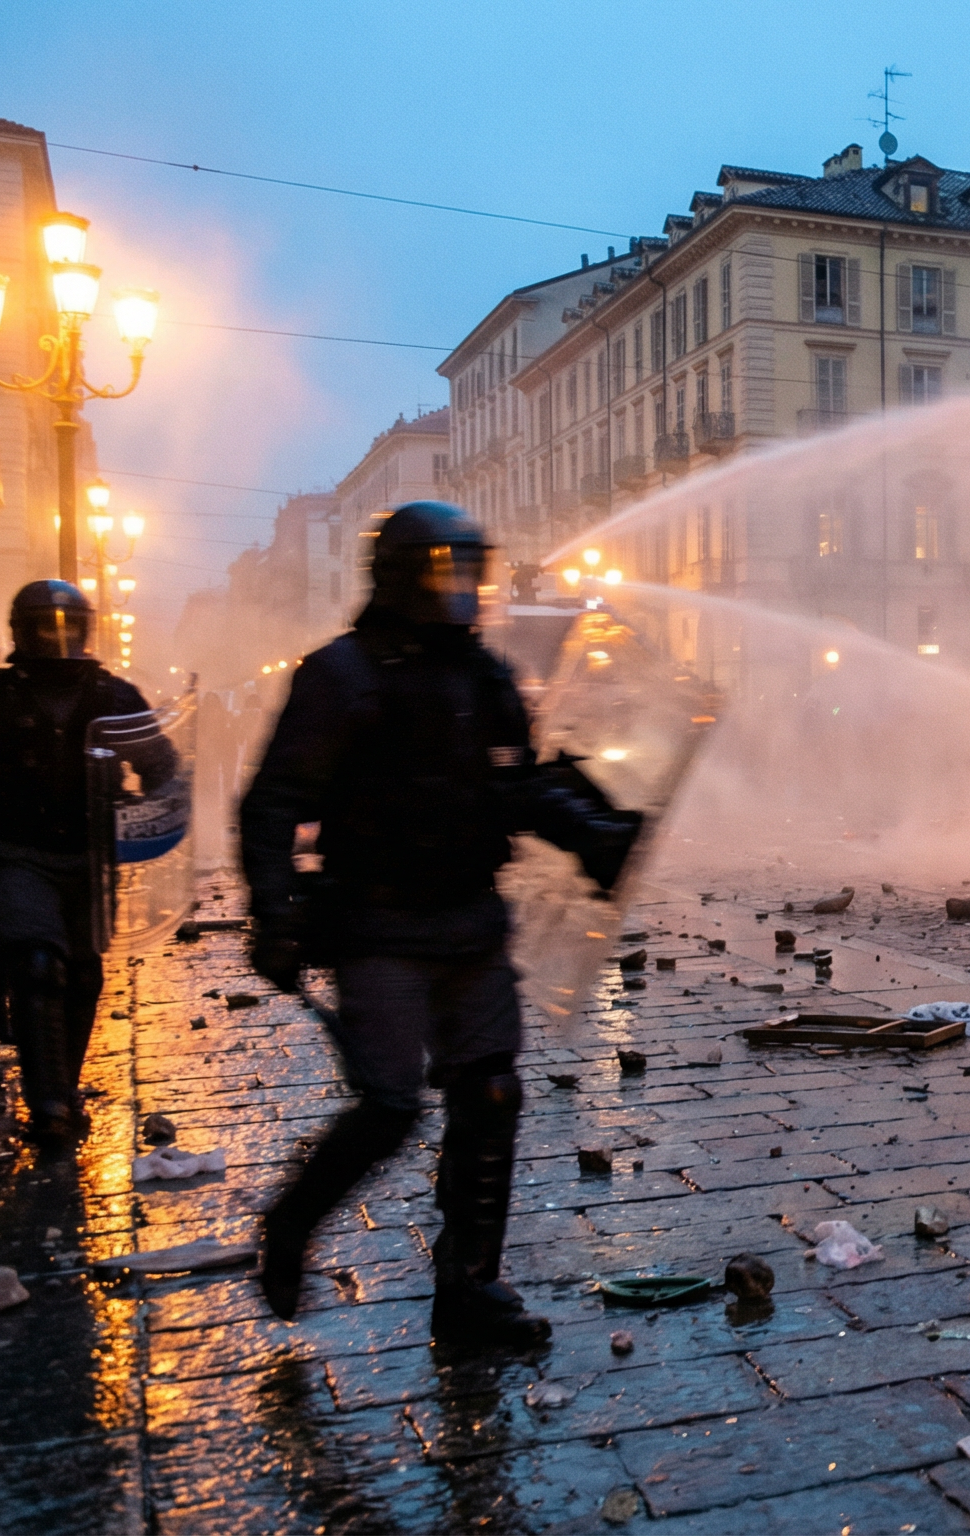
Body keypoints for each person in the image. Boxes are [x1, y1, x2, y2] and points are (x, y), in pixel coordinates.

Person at [240, 502, 641, 1348]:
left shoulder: (486, 678)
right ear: (397, 576)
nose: (459, 587)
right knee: (388, 1107)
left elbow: (512, 787)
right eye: (441, 571)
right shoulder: (341, 675)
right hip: (377, 920)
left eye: (469, 570)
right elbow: (274, 800)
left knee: (491, 1092)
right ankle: (290, 1223)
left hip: (469, 918)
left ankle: (468, 1289)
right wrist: (274, 912)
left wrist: (594, 833)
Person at [0, 583, 177, 1141]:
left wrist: (144, 821)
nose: (58, 637)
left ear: (85, 629)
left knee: (82, 974)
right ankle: (50, 1103)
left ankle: (65, 1084)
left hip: (88, 856)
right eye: (44, 625)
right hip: (15, 854)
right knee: (37, 963)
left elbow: (163, 769)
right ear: (21, 631)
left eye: (67, 625)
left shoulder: (113, 696)